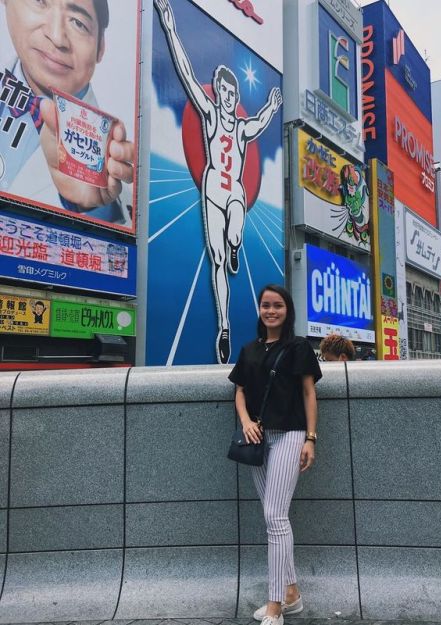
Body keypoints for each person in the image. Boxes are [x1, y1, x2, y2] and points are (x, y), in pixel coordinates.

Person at [155, 0, 282, 364]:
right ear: (219, 94)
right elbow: (185, 73)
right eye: (223, 92)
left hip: (235, 192)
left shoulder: (240, 128)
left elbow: (258, 123)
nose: (226, 97)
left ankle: (236, 244)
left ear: (236, 97)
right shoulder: (209, 114)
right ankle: (224, 325)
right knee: (215, 261)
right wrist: (169, 27)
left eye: (231, 94)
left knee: (234, 234)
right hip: (213, 190)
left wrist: (272, 108)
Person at [229, 284, 322, 625]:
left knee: (275, 516)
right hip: (257, 438)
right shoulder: (249, 349)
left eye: (278, 305)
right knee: (273, 518)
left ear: (287, 310)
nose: (271, 311)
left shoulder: (298, 347)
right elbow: (239, 392)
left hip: (291, 435)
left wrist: (311, 438)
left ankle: (275, 604)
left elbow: (309, 393)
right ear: (259, 309)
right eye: (266, 305)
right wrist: (246, 422)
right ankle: (292, 593)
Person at [0, 0, 134, 225]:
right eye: (40, 2)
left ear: (101, 47)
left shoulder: (115, 165)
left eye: (78, 23)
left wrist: (90, 209)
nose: (56, 37)